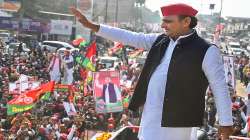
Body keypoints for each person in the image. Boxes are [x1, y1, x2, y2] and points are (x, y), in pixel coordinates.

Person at [71, 3, 234, 140]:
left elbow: (220, 88)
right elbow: (130, 36)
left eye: (168, 21)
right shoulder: (161, 40)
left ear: (186, 21)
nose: (163, 25)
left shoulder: (206, 50)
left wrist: (226, 123)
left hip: (178, 123)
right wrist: (93, 26)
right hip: (151, 116)